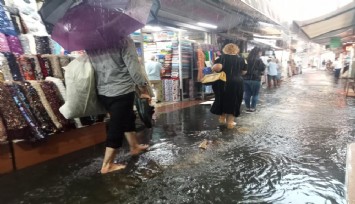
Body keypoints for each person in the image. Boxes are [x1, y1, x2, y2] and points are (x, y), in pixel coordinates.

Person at [87, 37, 150, 174]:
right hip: (121, 89)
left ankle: (134, 146)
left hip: (102, 90)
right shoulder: (123, 40)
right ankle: (107, 164)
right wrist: (143, 88)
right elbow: (133, 66)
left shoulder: (91, 42)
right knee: (117, 124)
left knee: (127, 117)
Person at [210, 43, 247, 129]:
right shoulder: (242, 59)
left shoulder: (220, 58)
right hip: (237, 82)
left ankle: (222, 117)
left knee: (222, 98)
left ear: (225, 49)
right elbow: (244, 72)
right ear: (236, 50)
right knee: (234, 100)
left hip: (222, 82)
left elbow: (216, 68)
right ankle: (230, 122)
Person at [243, 47, 266, 113]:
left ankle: (247, 108)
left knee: (247, 94)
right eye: (261, 52)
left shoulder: (246, 59)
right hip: (255, 79)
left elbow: (243, 68)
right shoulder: (259, 60)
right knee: (255, 94)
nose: (261, 53)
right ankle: (252, 108)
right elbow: (263, 68)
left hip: (246, 79)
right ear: (258, 52)